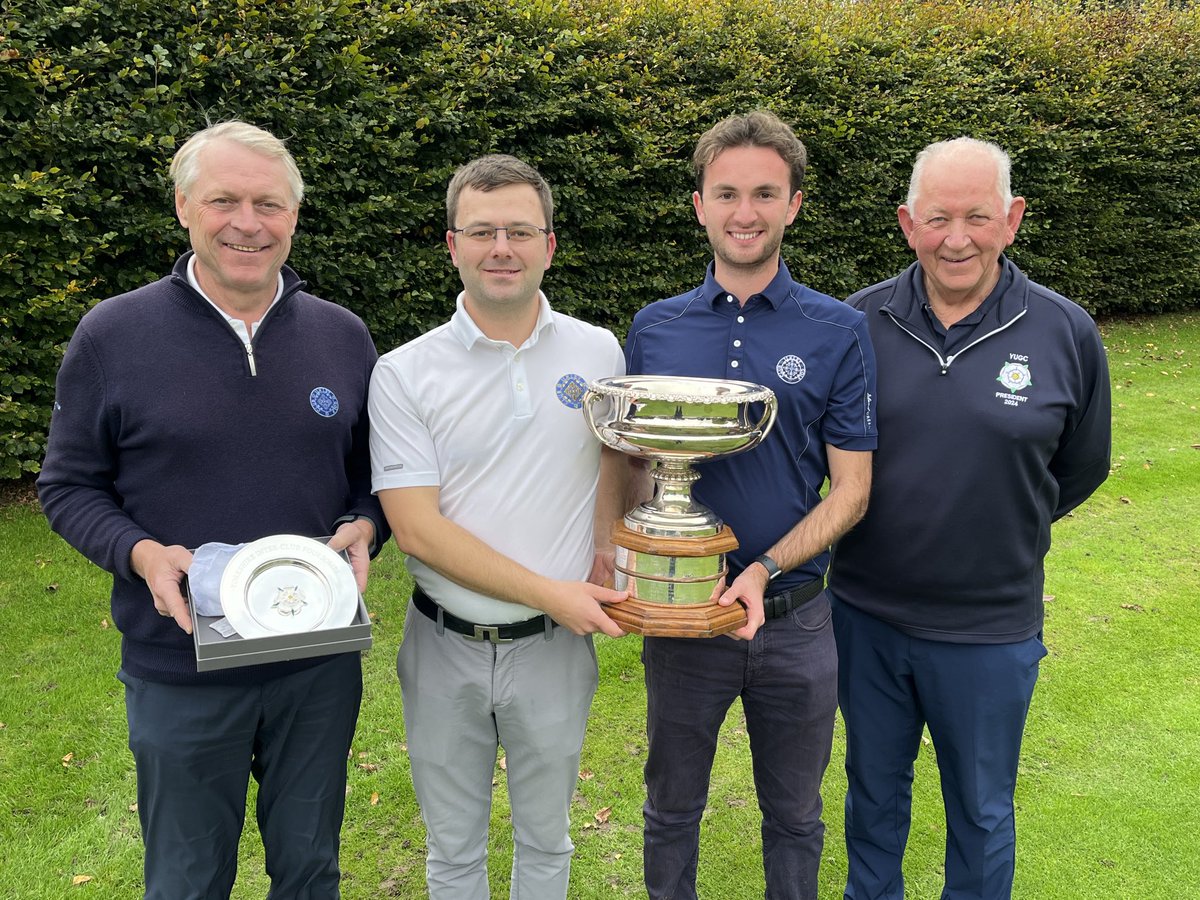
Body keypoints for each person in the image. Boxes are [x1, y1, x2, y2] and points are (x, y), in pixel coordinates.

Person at [37, 121, 386, 899]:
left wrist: (368, 525)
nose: (248, 223)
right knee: (188, 882)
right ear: (184, 207)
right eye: (224, 199)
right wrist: (140, 553)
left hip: (316, 663)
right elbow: (67, 485)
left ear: (294, 215)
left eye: (269, 203)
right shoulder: (113, 336)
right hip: (180, 664)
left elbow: (373, 478)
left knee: (310, 872)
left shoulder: (343, 336)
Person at [829, 137, 1112, 899]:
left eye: (978, 216)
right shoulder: (856, 324)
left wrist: (998, 526)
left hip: (991, 630)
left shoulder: (1065, 331)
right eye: (938, 217)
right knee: (873, 799)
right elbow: (829, 463)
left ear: (1012, 219)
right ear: (906, 223)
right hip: (866, 617)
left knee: (982, 816)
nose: (958, 238)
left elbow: (1081, 467)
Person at [624, 110, 878, 900]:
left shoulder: (838, 330)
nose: (745, 212)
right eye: (726, 192)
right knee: (671, 808)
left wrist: (765, 570)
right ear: (698, 202)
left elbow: (855, 489)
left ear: (794, 204)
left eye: (765, 194)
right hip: (682, 616)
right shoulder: (655, 328)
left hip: (797, 618)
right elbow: (632, 468)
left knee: (796, 815)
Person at [368, 154, 629, 899]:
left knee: (547, 840)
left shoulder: (598, 351)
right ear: (453, 245)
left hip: (554, 649)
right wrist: (554, 590)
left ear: (550, 243)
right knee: (453, 851)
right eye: (482, 232)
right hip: (442, 643)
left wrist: (607, 548)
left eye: (520, 230)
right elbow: (414, 529)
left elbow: (617, 462)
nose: (502, 248)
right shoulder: (404, 373)